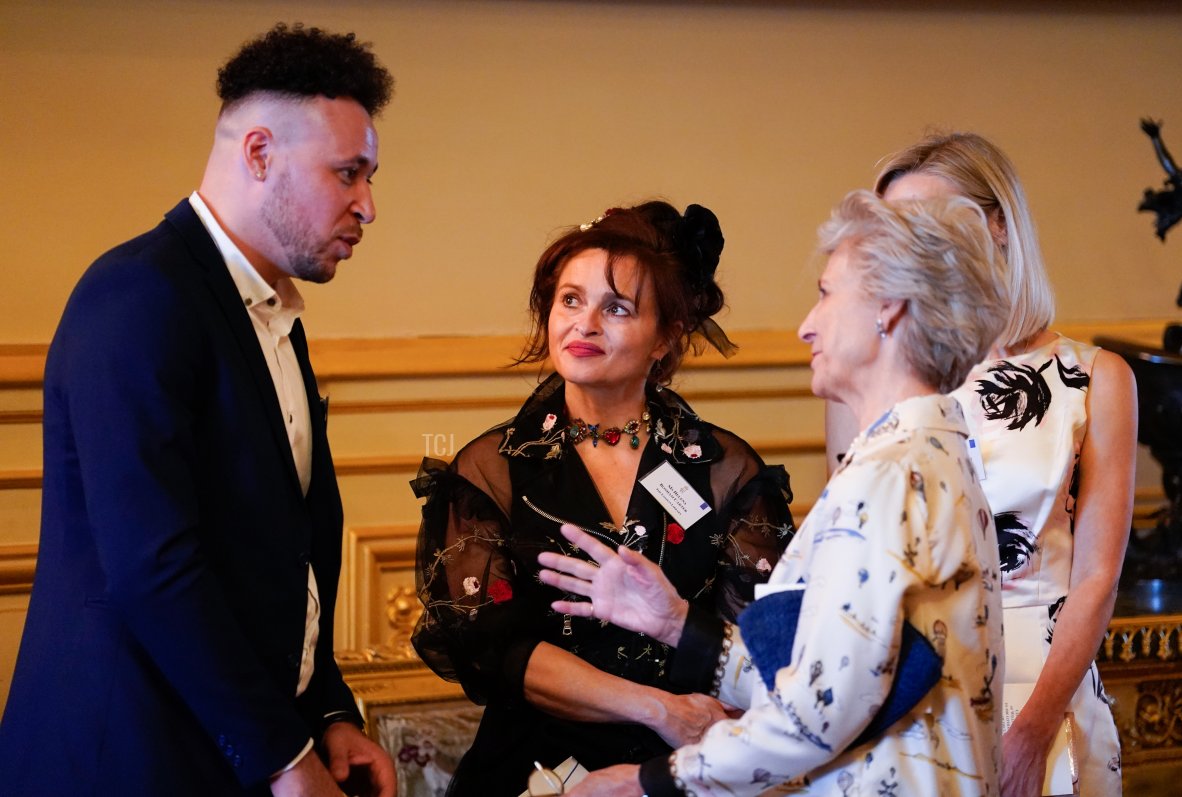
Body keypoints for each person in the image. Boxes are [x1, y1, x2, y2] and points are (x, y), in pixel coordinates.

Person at [0, 24, 398, 797]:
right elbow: (156, 564)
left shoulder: (275, 310)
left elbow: (281, 551)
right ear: (259, 153)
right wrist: (283, 756)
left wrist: (328, 713)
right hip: (126, 758)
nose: (368, 206)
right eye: (348, 173)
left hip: (228, 747)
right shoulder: (138, 295)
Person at [539, 190, 1010, 796]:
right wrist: (680, 625)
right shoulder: (937, 452)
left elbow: (817, 716)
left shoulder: (892, 475)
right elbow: (838, 681)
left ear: (887, 309)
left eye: (826, 293)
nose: (806, 325)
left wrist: (650, 781)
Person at [409, 201, 796, 795]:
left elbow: (759, 651)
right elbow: (497, 652)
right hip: (535, 770)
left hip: (685, 769)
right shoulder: (490, 471)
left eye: (616, 307)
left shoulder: (725, 469)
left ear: (667, 337)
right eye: (570, 300)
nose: (583, 324)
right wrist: (656, 710)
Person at [827, 133, 1136, 796]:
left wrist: (1032, 730)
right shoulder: (870, 374)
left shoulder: (1096, 377)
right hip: (905, 694)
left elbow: (1096, 578)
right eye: (894, 230)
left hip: (1041, 689)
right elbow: (850, 564)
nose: (912, 246)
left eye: (928, 222)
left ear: (998, 225)